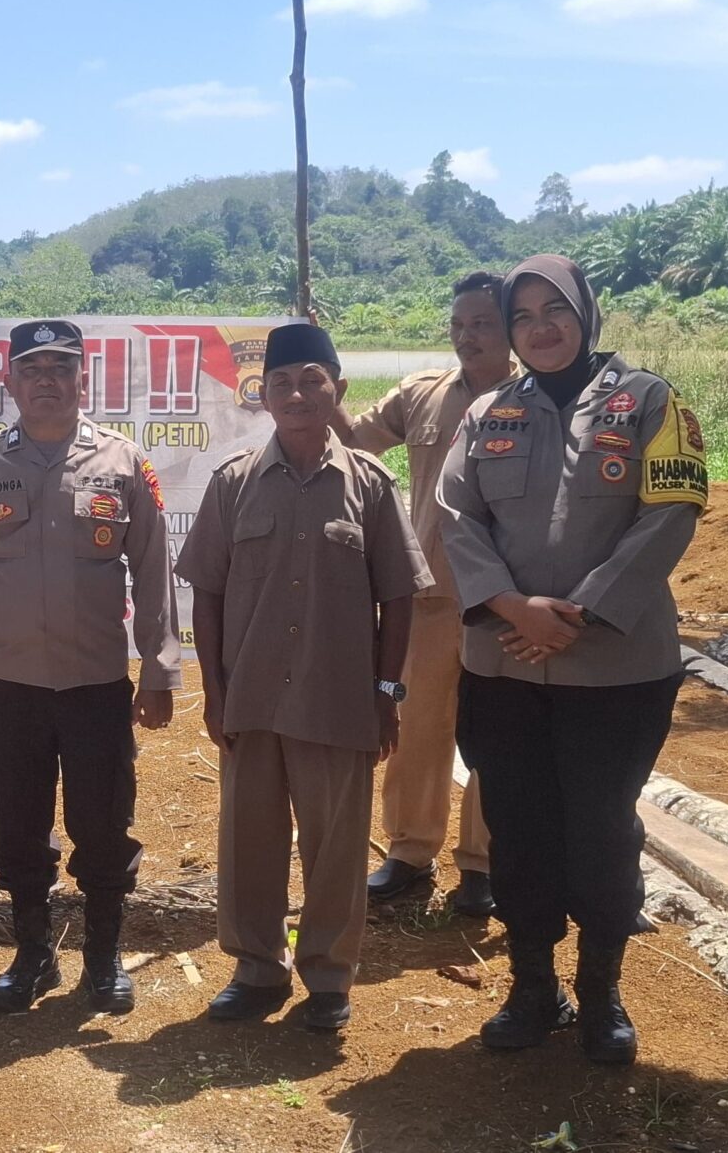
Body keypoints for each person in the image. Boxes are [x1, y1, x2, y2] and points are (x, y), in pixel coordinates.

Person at [436, 253, 708, 1065]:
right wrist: (514, 608)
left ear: (586, 312)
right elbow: (456, 512)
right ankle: (532, 989)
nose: (539, 328)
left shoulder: (651, 400)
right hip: (505, 666)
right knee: (517, 829)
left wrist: (581, 614)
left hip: (616, 670)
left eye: (553, 310)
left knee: (599, 830)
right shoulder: (488, 412)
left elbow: (672, 509)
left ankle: (600, 993)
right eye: (521, 317)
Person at [176, 322, 430, 1034]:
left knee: (337, 846)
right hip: (251, 699)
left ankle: (328, 977)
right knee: (249, 842)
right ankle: (257, 969)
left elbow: (400, 597)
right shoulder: (232, 485)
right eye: (282, 382)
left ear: (337, 391)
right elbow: (209, 592)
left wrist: (387, 696)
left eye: (311, 380)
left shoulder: (371, 485)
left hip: (339, 698)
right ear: (263, 395)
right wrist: (216, 692)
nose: (296, 394)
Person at [0, 318, 179, 1015]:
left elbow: (155, 574)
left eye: (61, 368)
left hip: (97, 685)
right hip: (12, 688)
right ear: (9, 381)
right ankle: (34, 954)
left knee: (103, 826)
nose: (46, 381)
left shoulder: (122, 463)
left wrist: (159, 671)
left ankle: (102, 960)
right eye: (33, 369)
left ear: (83, 380)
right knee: (16, 827)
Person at [330, 272, 517, 918]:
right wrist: (331, 395)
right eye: (460, 324)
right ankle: (410, 854)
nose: (468, 336)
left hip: (509, 604)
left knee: (497, 739)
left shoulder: (538, 400)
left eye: (483, 324)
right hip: (435, 595)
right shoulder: (425, 394)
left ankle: (485, 866)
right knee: (416, 731)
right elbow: (354, 443)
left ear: (512, 328)